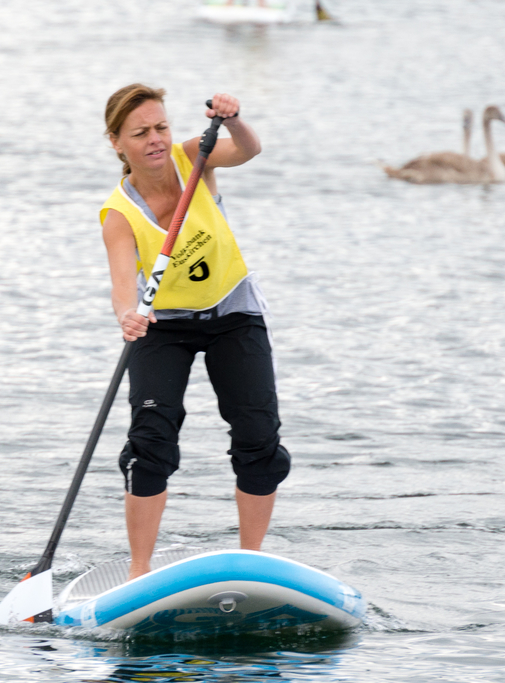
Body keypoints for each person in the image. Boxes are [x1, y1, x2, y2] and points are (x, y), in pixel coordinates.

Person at [100, 84, 291, 580]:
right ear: (117, 143)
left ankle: (250, 561)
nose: (156, 140)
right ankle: (138, 571)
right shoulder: (119, 214)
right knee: (149, 444)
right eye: (141, 133)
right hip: (163, 326)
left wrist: (232, 121)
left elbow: (249, 150)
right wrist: (127, 316)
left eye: (161, 127)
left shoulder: (195, 157)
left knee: (258, 438)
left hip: (234, 312)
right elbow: (124, 288)